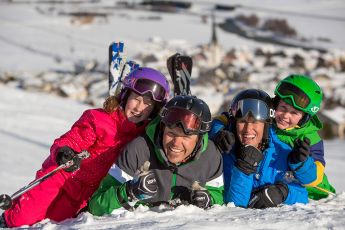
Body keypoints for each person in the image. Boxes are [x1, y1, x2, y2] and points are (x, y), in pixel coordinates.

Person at [1, 67, 170, 227]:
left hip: (83, 197)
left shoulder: (142, 136)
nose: (139, 108)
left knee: (54, 225)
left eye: (148, 103)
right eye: (136, 98)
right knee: (20, 219)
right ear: (125, 96)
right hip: (61, 179)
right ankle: (5, 222)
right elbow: (72, 139)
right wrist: (65, 152)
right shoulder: (99, 120)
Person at [88, 95, 224, 216]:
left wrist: (209, 199)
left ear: (199, 138)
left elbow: (219, 195)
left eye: (186, 137)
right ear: (162, 128)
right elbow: (96, 206)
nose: (176, 143)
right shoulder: (139, 150)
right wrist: (129, 192)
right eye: (171, 133)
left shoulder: (210, 156)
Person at [210, 89, 308, 208]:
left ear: (266, 124)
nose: (247, 129)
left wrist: (282, 192)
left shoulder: (280, 152)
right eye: (242, 121)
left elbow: (302, 194)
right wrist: (244, 168)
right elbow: (234, 206)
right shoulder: (223, 153)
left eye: (255, 122)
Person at [273, 74, 336, 199]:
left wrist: (302, 163)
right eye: (283, 107)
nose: (285, 115)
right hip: (277, 184)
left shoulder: (310, 138)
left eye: (294, 113)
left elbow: (316, 177)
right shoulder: (267, 123)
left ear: (304, 118)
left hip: (313, 193)